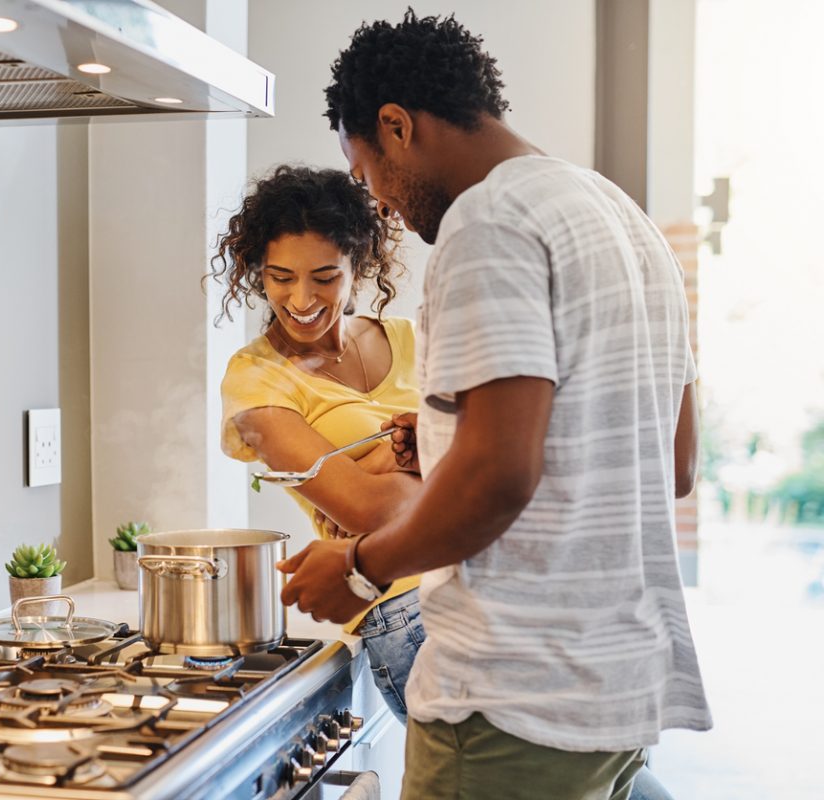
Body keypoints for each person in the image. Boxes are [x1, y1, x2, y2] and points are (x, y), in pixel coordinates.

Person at [277, 12, 711, 800]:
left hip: (512, 702)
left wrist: (361, 569)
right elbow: (674, 462)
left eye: (372, 180)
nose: (387, 211)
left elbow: (500, 476)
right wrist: (447, 438)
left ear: (396, 126)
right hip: (616, 695)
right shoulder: (625, 218)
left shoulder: (489, 220)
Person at [213, 164, 425, 721]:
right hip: (406, 608)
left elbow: (502, 459)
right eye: (280, 276)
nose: (300, 298)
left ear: (361, 265)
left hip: (491, 582)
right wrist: (417, 449)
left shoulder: (412, 338)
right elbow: (366, 511)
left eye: (324, 277)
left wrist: (385, 463)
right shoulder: (254, 380)